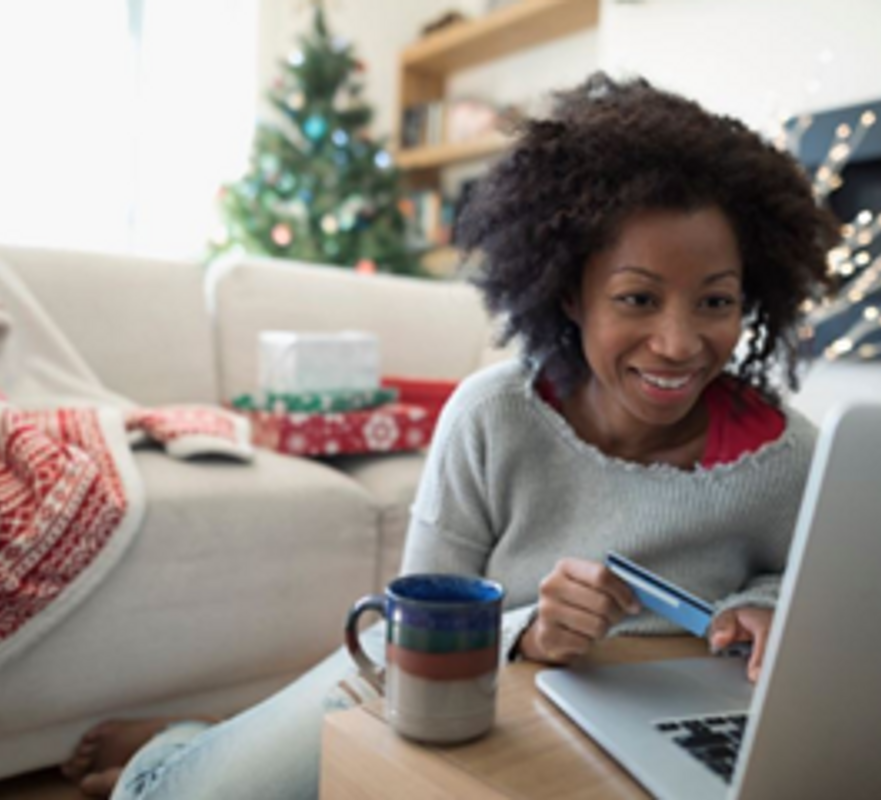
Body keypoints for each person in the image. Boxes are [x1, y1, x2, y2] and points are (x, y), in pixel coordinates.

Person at [60, 72, 838, 799]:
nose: (678, 343)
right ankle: (182, 747)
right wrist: (530, 632)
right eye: (637, 299)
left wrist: (762, 605)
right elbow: (411, 634)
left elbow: (805, 589)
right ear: (570, 294)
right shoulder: (493, 415)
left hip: (645, 731)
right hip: (460, 688)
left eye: (715, 303)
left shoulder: (788, 455)